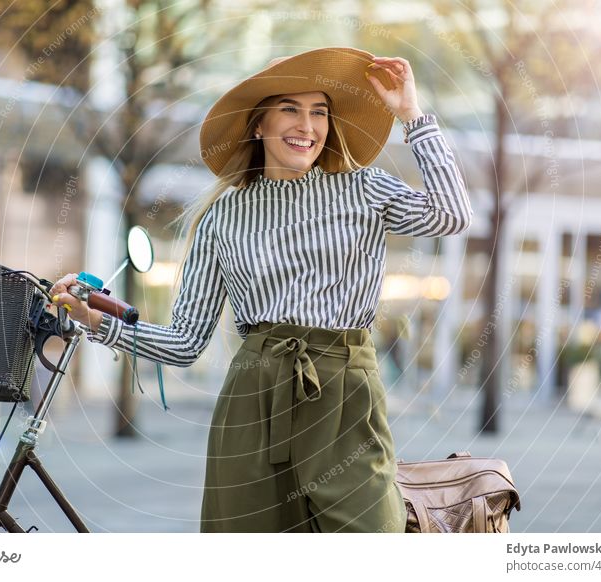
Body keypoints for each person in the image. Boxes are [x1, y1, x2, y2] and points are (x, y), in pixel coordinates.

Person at [50, 47, 472, 532]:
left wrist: (411, 114)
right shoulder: (223, 218)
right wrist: (93, 322)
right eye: (290, 109)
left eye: (319, 113)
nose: (306, 126)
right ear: (258, 125)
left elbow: (452, 214)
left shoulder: (365, 188)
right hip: (252, 403)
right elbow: (186, 342)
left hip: (345, 398)